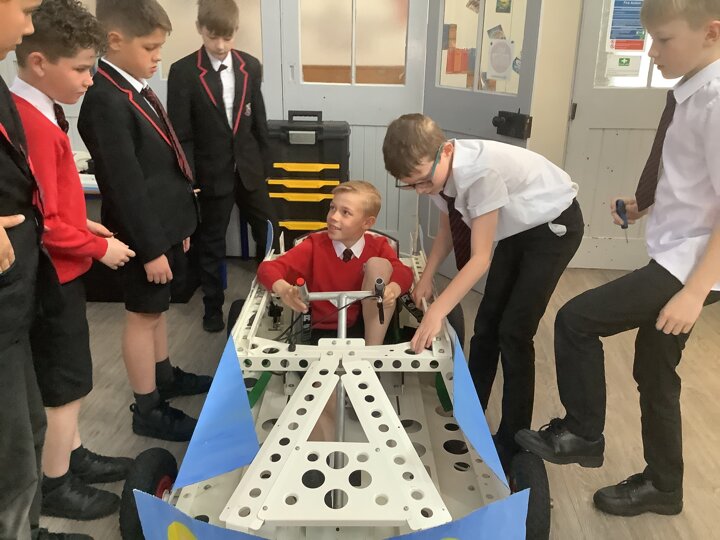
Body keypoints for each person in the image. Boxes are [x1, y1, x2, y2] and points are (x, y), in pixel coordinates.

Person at [515, 0, 720, 517]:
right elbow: (694, 178)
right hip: (680, 253)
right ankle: (664, 487)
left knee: (576, 320)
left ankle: (583, 432)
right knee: (655, 373)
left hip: (693, 266)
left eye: (664, 40)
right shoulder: (693, 92)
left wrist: (694, 291)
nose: (652, 52)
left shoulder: (717, 100)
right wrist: (642, 203)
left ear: (712, 33)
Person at [383, 114, 583, 472]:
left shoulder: (479, 174)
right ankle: (468, 411)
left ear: (446, 151)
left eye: (422, 181)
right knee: (487, 325)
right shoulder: (437, 174)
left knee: (515, 332)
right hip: (517, 225)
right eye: (410, 186)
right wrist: (427, 276)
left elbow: (479, 260)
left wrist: (437, 311)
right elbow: (447, 228)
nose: (420, 190)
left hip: (552, 226)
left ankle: (512, 439)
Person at [12, 0, 137, 522]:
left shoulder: (43, 110)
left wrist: (84, 224)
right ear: (40, 63)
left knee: (71, 379)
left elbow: (47, 201)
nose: (90, 80)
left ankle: (73, 455)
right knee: (65, 385)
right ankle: (57, 482)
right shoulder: (33, 123)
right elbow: (42, 223)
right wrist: (97, 247)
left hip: (64, 265)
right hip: (52, 274)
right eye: (82, 69)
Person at [78, 0, 211, 442]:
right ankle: (147, 407)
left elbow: (163, 168)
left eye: (160, 48)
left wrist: (181, 228)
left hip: (163, 227)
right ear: (114, 41)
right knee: (141, 316)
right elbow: (126, 186)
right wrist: (152, 248)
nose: (158, 57)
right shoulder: (105, 100)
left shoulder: (135, 90)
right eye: (150, 48)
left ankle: (164, 376)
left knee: (157, 312)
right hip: (141, 235)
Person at [0, 1, 83, 538]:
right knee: (12, 456)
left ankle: (30, 526)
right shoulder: (28, 113)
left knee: (29, 426)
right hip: (22, 286)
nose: (28, 24)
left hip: (20, 292)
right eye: (25, 9)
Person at [257, 181, 413, 439]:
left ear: (367, 222)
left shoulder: (377, 246)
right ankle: (322, 454)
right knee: (324, 398)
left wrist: (394, 289)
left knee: (379, 265)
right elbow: (268, 268)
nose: (333, 217)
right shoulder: (314, 245)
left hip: (366, 330)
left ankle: (369, 365)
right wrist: (284, 289)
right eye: (332, 208)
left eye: (345, 212)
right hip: (323, 334)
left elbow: (404, 272)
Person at [168, 0, 277, 333]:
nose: (219, 45)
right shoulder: (183, 72)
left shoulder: (250, 66)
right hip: (210, 173)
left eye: (226, 37)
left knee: (270, 232)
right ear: (200, 29)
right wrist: (190, 178)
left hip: (249, 168)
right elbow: (181, 134)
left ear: (236, 31)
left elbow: (258, 118)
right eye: (213, 36)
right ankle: (212, 307)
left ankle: (270, 298)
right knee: (212, 242)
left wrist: (266, 164)